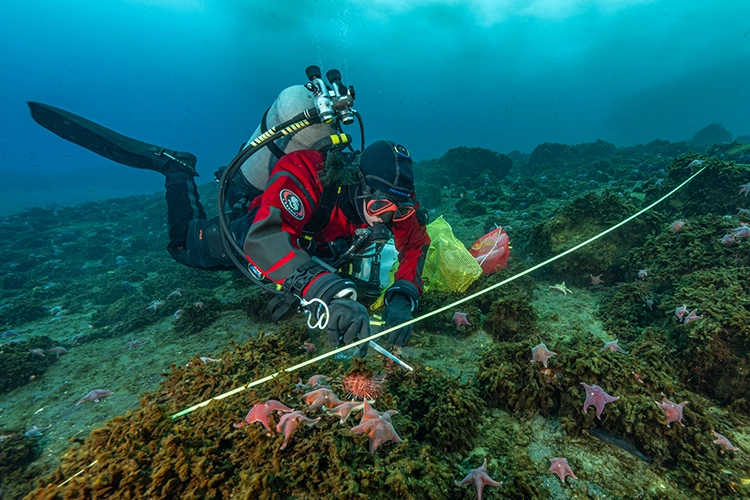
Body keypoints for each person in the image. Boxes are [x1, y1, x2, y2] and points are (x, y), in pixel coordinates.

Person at [27, 99, 430, 349]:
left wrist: (403, 297)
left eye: (398, 208)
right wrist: (323, 289)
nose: (388, 218)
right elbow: (265, 237)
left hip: (311, 241)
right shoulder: (307, 169)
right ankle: (176, 168)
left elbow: (416, 243)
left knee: (324, 259)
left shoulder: (396, 203)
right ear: (356, 184)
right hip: (253, 224)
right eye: (380, 206)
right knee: (184, 248)